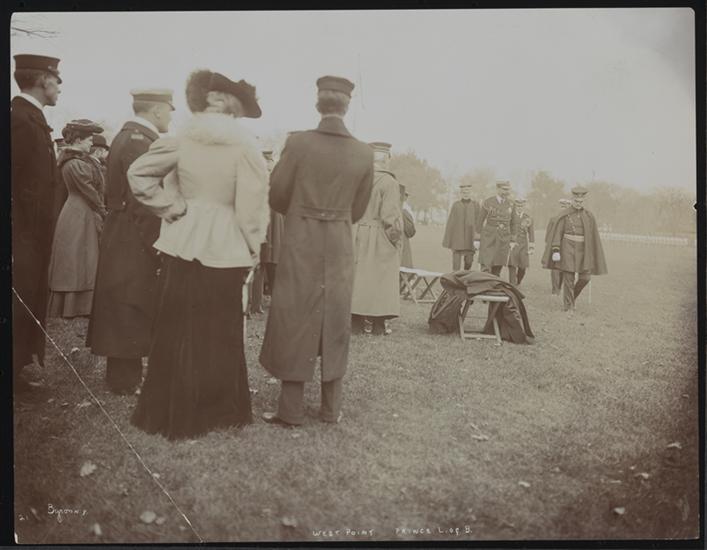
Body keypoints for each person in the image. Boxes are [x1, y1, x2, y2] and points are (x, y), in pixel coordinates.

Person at [127, 69, 269, 440]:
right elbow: (250, 210)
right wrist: (253, 248)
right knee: (219, 329)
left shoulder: (181, 140)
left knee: (175, 326)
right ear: (222, 102)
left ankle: (167, 409)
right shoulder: (245, 147)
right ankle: (218, 411)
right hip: (226, 247)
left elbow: (138, 175)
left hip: (182, 241)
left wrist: (170, 207)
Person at [259, 75, 374, 427]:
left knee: (295, 314)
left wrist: (302, 212)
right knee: (335, 316)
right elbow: (358, 209)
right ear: (347, 106)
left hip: (301, 241)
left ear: (318, 103)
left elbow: (277, 194)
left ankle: (291, 409)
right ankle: (331, 409)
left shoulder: (298, 143)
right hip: (339, 242)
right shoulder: (364, 152)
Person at [87, 88, 174, 395]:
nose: (171, 116)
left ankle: (125, 375)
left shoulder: (127, 137)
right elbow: (142, 200)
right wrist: (157, 244)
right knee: (129, 302)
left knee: (123, 302)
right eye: (169, 110)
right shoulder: (141, 142)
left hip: (123, 229)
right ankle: (125, 379)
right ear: (157, 110)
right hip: (135, 231)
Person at [11, 54, 64, 393]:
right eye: (56, 79)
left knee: (27, 302)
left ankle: (18, 370)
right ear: (42, 80)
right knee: (18, 304)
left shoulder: (29, 117)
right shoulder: (20, 120)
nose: (59, 86)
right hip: (22, 236)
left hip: (32, 235)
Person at [47, 120, 107, 318]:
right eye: (89, 140)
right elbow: (89, 192)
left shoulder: (78, 161)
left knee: (81, 257)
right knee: (77, 258)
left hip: (79, 211)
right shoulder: (75, 163)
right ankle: (74, 306)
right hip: (79, 213)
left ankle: (78, 305)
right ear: (79, 140)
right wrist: (102, 210)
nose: (91, 143)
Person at [351, 141, 403, 336]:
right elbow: (390, 216)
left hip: (357, 232)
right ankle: (378, 325)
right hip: (380, 234)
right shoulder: (389, 182)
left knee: (358, 279)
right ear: (386, 159)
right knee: (381, 280)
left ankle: (356, 323)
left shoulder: (357, 178)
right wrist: (395, 239)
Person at [542, 185, 608, 312]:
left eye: (581, 201)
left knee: (585, 278)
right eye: (576, 201)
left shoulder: (589, 216)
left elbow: (593, 236)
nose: (578, 203)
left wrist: (592, 252)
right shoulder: (564, 215)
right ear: (572, 199)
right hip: (568, 248)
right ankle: (568, 307)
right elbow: (558, 233)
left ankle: (572, 299)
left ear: (584, 201)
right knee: (569, 279)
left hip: (584, 251)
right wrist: (556, 249)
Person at [477, 180, 519, 276]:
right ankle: (484, 283)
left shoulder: (511, 204)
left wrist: (513, 239)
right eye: (504, 189)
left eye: (508, 190)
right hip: (489, 237)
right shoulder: (488, 202)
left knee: (498, 264)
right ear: (497, 189)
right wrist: (477, 238)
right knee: (486, 264)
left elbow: (514, 223)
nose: (506, 192)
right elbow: (480, 220)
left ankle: (494, 283)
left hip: (503, 238)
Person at [260, 149, 285, 296]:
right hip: (267, 214)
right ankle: (266, 288)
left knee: (274, 253)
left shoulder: (275, 174)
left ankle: (271, 288)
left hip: (274, 215)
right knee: (268, 254)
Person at [442, 182, 479, 270]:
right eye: (464, 192)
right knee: (456, 265)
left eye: (468, 192)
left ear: (471, 193)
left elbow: (479, 223)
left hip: (470, 239)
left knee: (469, 262)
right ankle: (455, 278)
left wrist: (478, 238)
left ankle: (465, 276)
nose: (466, 194)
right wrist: (448, 240)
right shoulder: (456, 205)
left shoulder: (476, 205)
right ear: (461, 193)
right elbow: (451, 222)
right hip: (457, 239)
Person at [545, 198, 572, 295]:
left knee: (564, 269)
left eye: (566, 207)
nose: (564, 209)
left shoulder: (571, 221)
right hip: (555, 247)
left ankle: (559, 287)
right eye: (562, 206)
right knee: (555, 269)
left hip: (567, 247)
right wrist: (549, 247)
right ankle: (555, 290)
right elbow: (548, 235)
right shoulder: (553, 219)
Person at [507, 197, 534, 286]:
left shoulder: (528, 217)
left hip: (523, 244)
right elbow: (507, 229)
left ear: (524, 206)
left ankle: (518, 280)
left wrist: (531, 246)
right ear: (515, 206)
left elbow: (531, 233)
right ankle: (512, 284)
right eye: (518, 206)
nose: (519, 207)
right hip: (512, 243)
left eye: (521, 206)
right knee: (512, 264)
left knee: (523, 266)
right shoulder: (510, 216)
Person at [400, 184, 416, 269]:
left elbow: (411, 231)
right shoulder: (404, 210)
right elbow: (411, 231)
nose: (406, 197)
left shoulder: (405, 209)